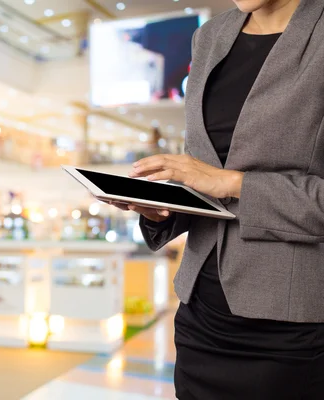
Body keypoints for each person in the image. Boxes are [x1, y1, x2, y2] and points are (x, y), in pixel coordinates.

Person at [116, 0, 324, 398]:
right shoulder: (210, 36)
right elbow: (202, 168)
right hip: (201, 313)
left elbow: (218, 178)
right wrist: (162, 210)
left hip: (291, 325)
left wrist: (232, 183)